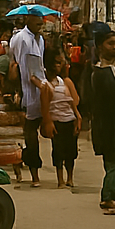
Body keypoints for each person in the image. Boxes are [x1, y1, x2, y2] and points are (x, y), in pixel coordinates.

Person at [8, 13, 50, 187]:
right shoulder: (20, 39)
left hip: (41, 90)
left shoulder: (40, 39)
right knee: (30, 137)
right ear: (28, 21)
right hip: (27, 92)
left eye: (41, 23)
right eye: (37, 23)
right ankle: (33, 173)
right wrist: (18, 91)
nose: (40, 26)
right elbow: (18, 66)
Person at [87, 29, 115, 214]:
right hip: (105, 124)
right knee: (112, 161)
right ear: (100, 47)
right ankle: (107, 197)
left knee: (114, 159)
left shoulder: (112, 70)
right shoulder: (99, 72)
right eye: (111, 43)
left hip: (113, 122)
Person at [41, 53, 81, 190]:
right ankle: (60, 180)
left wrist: (77, 117)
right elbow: (45, 107)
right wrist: (48, 123)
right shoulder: (46, 85)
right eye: (57, 63)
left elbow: (74, 102)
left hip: (69, 120)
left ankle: (70, 178)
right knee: (58, 151)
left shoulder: (66, 82)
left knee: (71, 151)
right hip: (56, 121)